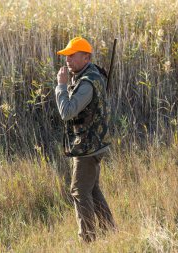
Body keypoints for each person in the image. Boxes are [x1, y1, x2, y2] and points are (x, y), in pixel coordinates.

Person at [55, 37, 115, 242]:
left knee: (79, 191)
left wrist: (61, 86)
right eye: (66, 56)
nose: (67, 60)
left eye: (72, 55)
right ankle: (110, 230)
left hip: (87, 147)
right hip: (94, 143)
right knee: (92, 189)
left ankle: (88, 239)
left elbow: (67, 112)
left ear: (86, 57)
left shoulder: (87, 82)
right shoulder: (88, 75)